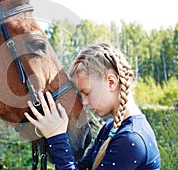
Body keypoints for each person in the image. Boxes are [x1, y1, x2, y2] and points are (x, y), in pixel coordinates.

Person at [24, 43, 160, 170]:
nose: (84, 102)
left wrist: (57, 137)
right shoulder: (110, 128)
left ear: (111, 82)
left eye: (87, 93)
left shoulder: (131, 139)